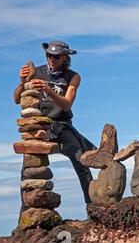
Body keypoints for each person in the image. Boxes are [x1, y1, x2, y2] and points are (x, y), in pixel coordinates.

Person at [14, 40, 96, 206]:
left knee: (82, 165)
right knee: (28, 173)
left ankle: (93, 209)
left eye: (56, 57)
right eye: (49, 55)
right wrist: (22, 82)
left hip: (63, 126)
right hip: (39, 127)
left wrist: (48, 90)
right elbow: (17, 100)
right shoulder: (35, 72)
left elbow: (67, 104)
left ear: (65, 57)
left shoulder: (73, 77)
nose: (51, 59)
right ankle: (26, 216)